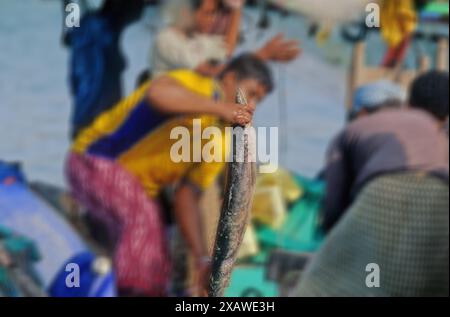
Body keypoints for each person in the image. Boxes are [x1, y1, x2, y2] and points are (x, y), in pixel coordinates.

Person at [65, 54, 273, 296]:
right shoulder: (194, 83)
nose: (253, 105)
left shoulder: (223, 140)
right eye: (251, 93)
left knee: (160, 261)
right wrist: (220, 107)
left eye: (260, 100)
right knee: (142, 221)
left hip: (137, 190)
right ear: (229, 79)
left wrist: (202, 258)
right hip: (94, 160)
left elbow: (187, 196)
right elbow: (157, 94)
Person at [293, 80, 449, 297]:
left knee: (355, 280)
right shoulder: (429, 123)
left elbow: (335, 202)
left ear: (362, 112)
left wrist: (332, 239)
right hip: (442, 195)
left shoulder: (350, 131)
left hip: (385, 194)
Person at [321, 80, 448, 233]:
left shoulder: (352, 131)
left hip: (380, 206)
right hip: (436, 209)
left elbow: (333, 206)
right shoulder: (437, 132)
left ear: (361, 113)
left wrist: (329, 234)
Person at [151, 0, 300, 77]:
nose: (213, 19)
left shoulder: (197, 40)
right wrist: (262, 55)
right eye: (208, 13)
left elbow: (227, 50)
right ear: (186, 11)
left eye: (214, 13)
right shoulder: (167, 39)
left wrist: (237, 8)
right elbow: (212, 72)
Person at [66, 0, 146, 139]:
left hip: (90, 119)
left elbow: (75, 81)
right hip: (95, 120)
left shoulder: (94, 28)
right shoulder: (101, 30)